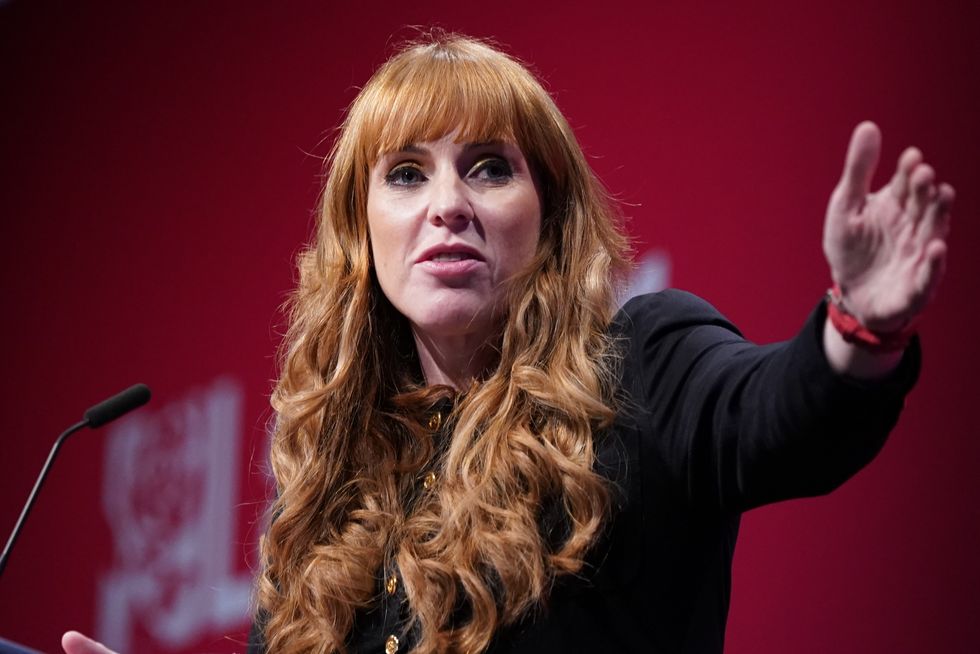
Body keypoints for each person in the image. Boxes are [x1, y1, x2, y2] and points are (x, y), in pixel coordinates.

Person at [62, 32, 954, 654]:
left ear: (549, 218)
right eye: (406, 174)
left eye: (490, 167)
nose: (448, 205)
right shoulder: (327, 503)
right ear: (361, 235)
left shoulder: (639, 363)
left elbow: (776, 416)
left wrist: (859, 325)